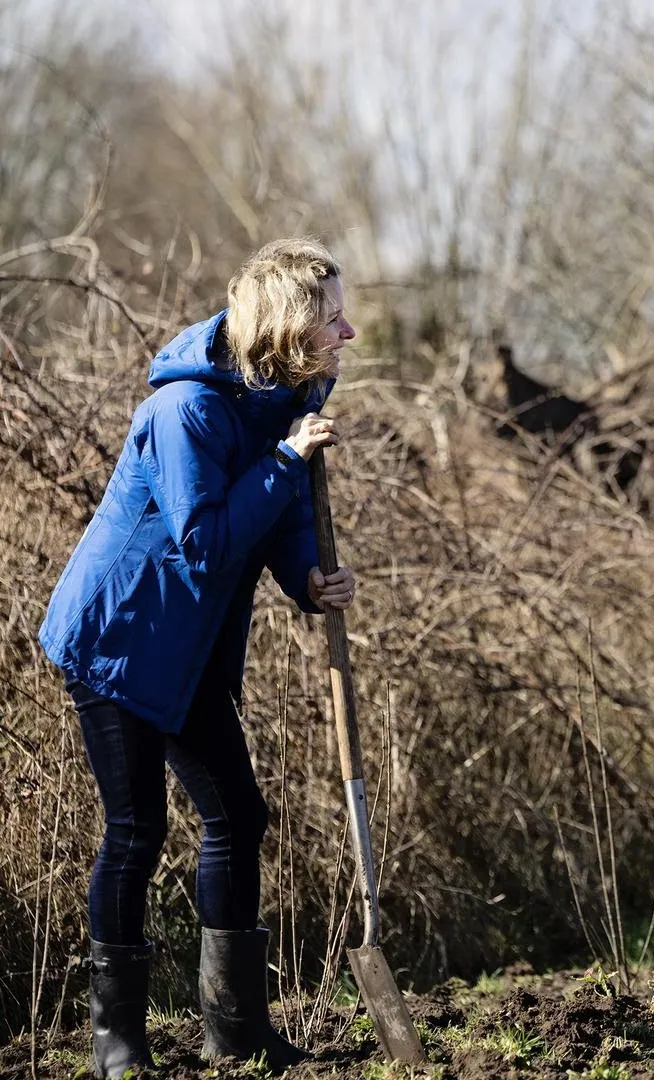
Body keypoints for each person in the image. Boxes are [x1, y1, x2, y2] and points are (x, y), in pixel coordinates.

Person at [39, 238, 358, 1077]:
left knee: (238, 817)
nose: (348, 332)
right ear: (290, 327)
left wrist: (309, 579)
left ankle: (237, 1032)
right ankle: (117, 1044)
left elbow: (282, 516)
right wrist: (289, 458)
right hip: (120, 637)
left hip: (190, 648)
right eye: (331, 320)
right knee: (137, 829)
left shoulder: (295, 390)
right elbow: (208, 546)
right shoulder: (186, 411)